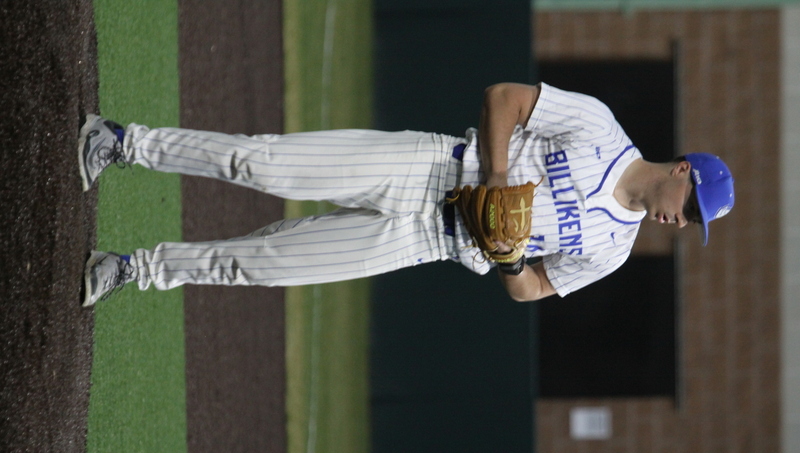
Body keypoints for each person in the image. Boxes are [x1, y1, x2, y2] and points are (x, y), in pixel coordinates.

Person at [78, 82, 735, 307]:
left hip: (426, 240)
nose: (683, 223)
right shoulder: (600, 128)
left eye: (695, 223)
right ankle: (120, 141)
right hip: (424, 167)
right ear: (683, 169)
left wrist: (507, 259)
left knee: (264, 265)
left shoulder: (614, 249)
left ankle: (134, 268)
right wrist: (499, 179)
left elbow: (532, 289)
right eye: (694, 208)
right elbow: (503, 99)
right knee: (262, 162)